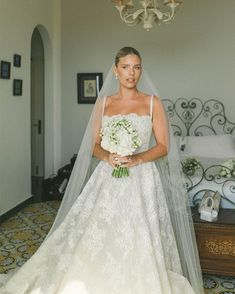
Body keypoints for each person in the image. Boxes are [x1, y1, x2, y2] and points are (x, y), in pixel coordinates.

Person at [0, 47, 204, 293]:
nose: (132, 73)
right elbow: (92, 145)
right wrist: (108, 156)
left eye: (137, 67)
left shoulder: (152, 103)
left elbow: (163, 146)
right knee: (100, 229)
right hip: (108, 176)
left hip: (142, 178)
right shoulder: (104, 103)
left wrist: (137, 158)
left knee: (139, 232)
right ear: (115, 70)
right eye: (126, 67)